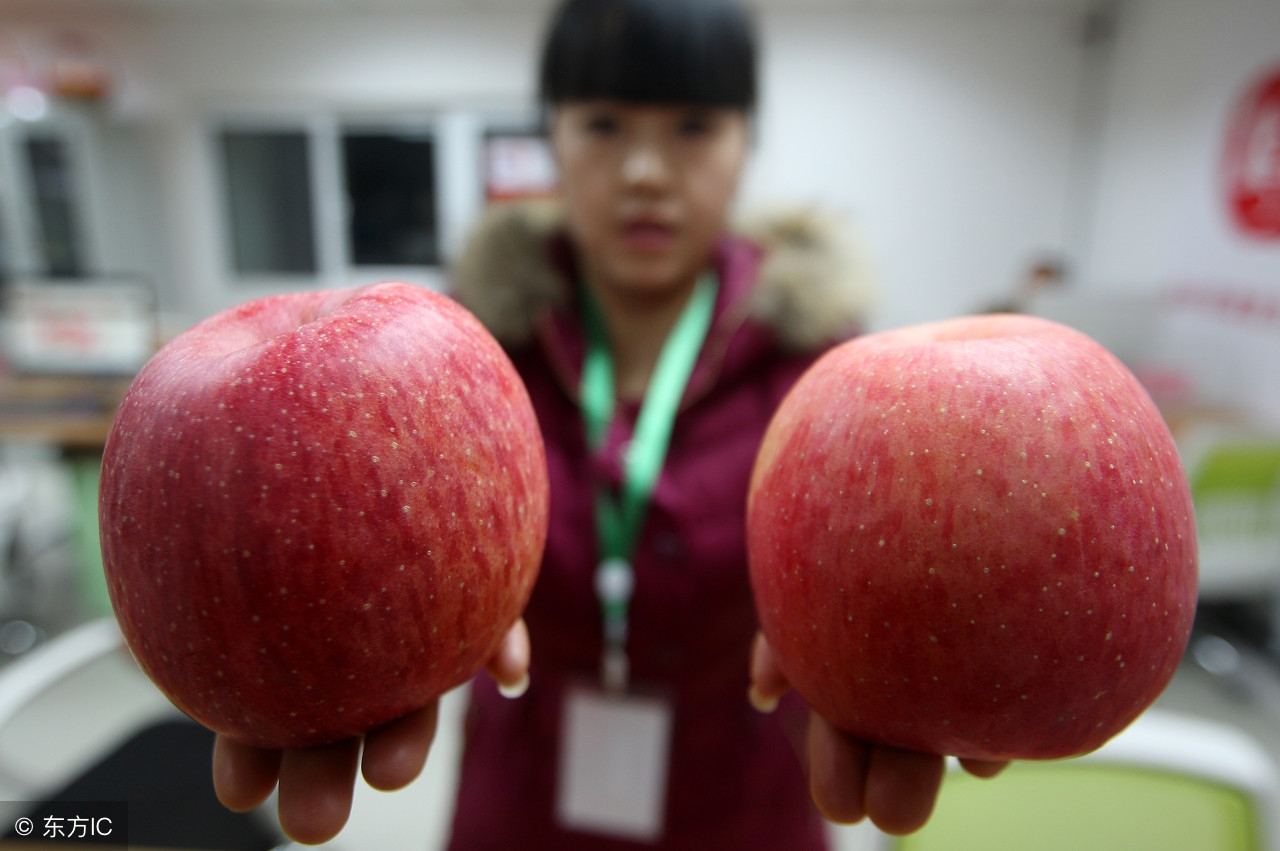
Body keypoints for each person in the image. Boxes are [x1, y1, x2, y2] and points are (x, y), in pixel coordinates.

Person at [213, 0, 1006, 846]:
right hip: (525, 801)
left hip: (741, 803)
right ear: (552, 138)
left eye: (693, 127)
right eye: (602, 124)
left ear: (745, 143)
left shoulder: (830, 374)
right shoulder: (455, 363)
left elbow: (884, 570)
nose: (644, 172)